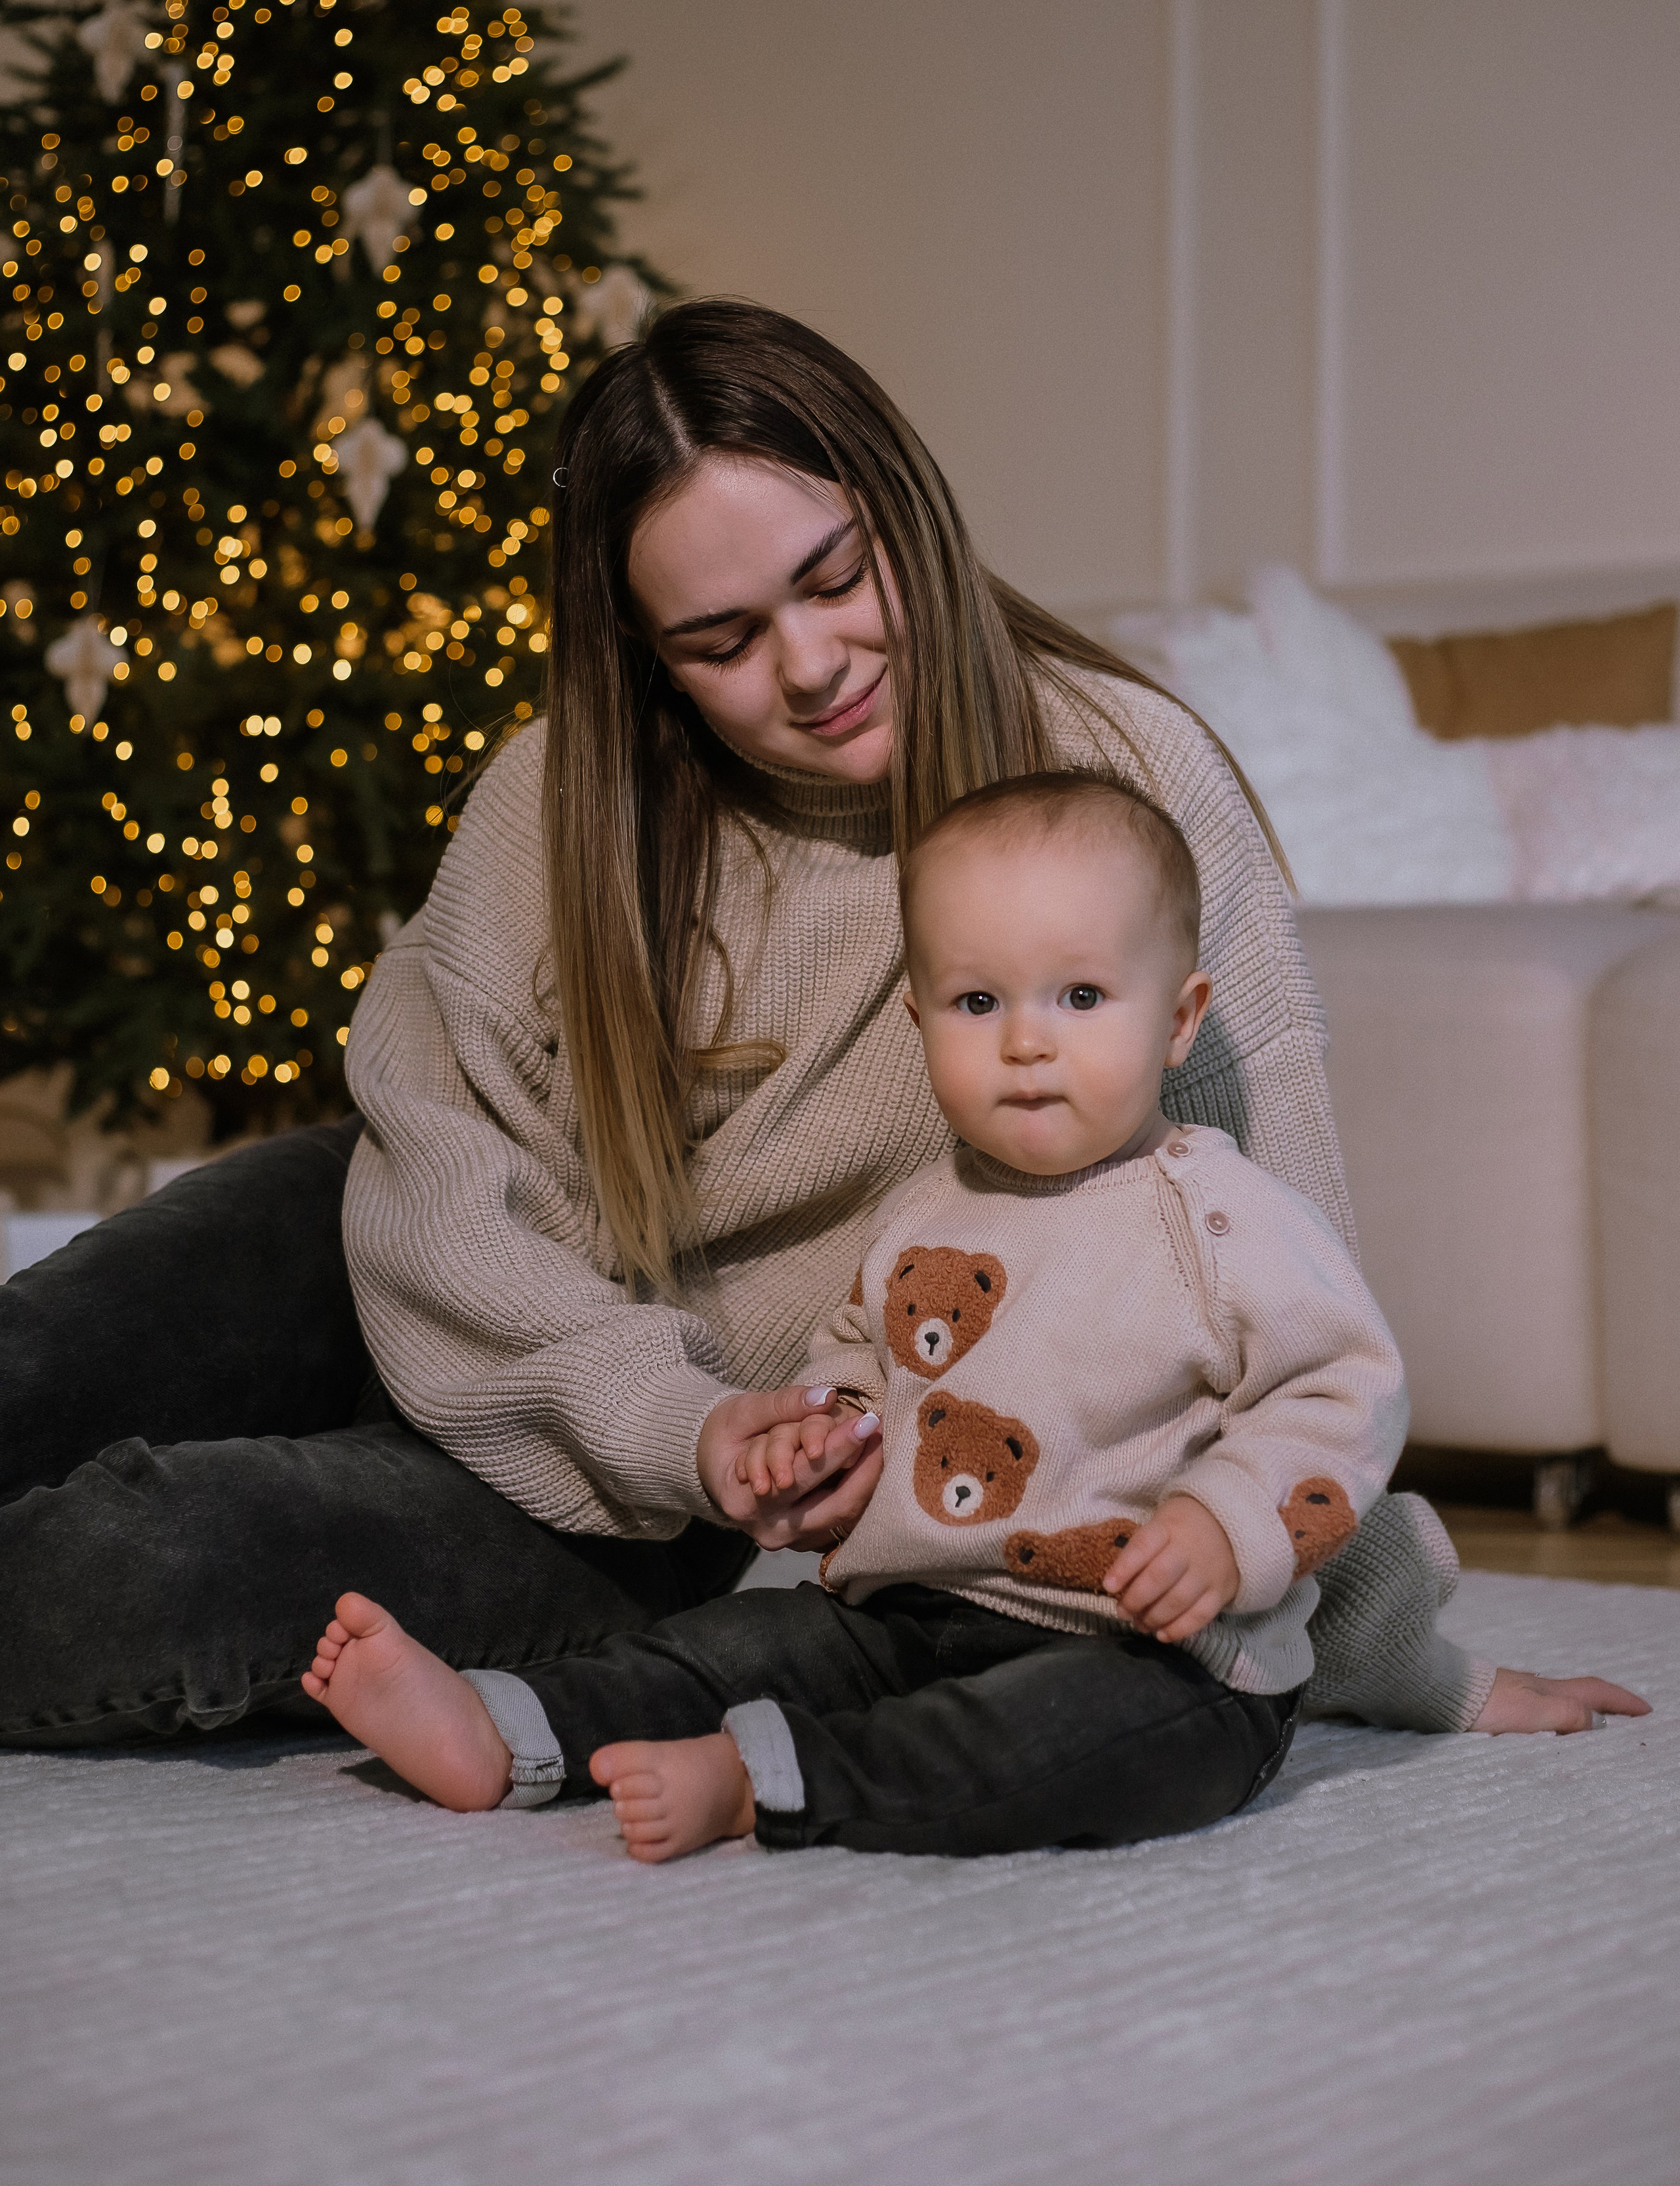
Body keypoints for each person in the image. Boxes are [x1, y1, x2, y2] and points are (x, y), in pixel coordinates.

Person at [0, 299, 1642, 1752]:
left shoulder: (1124, 785)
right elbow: (428, 1169)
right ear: (646, 661)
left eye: (833, 578)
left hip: (638, 1494)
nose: (809, 666)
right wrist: (639, 1392)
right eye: (720, 641)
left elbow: (1280, 1286)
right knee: (45, 1358)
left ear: (898, 510)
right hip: (424, 1281)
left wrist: (1390, 1661)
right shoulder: (558, 797)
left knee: (138, 1562)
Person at [301, 771, 1415, 1859]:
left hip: (1158, 1656)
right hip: (916, 1611)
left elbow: (1343, 1390)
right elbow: (863, 1364)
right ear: (920, 1017)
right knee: (739, 1641)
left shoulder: (1225, 1218)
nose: (1027, 1042)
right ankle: (505, 1730)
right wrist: (822, 1439)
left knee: (1043, 1744)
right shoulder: (929, 1211)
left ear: (1179, 1021)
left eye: (1080, 997)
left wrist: (1227, 1525)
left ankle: (776, 1784)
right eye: (979, 1002)